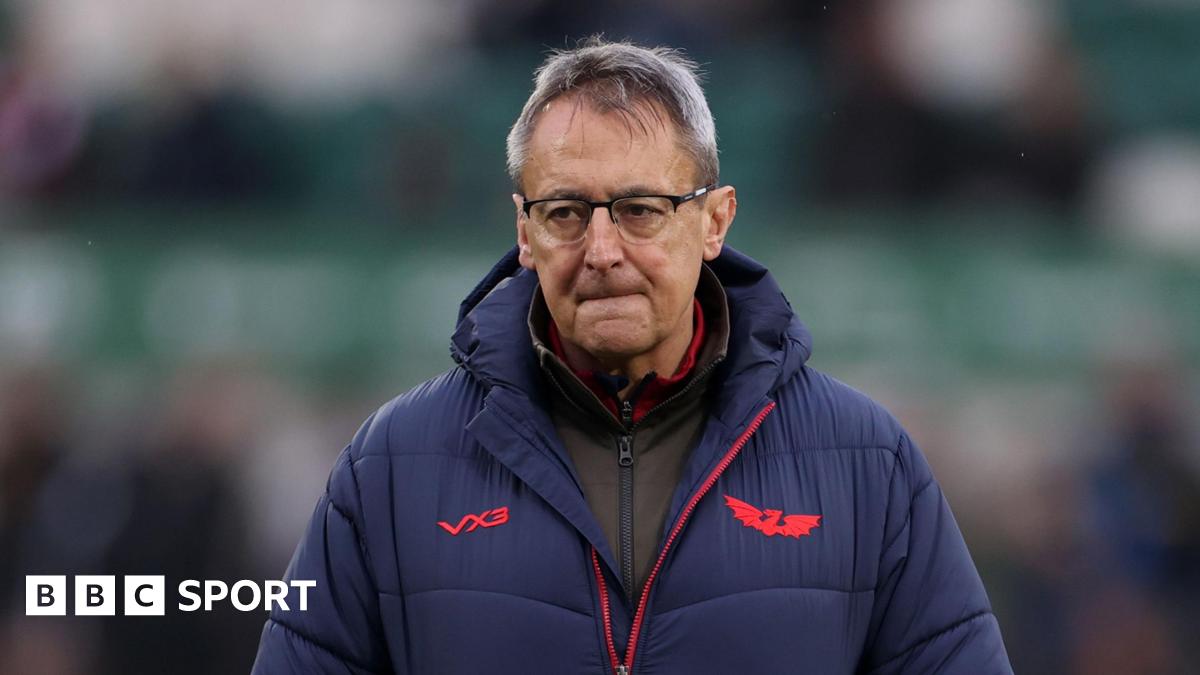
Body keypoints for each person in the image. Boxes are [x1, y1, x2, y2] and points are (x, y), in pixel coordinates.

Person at [252, 37, 1013, 674]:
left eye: (642, 211)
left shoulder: (865, 462)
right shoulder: (390, 466)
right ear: (524, 232)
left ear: (715, 221)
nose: (603, 250)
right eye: (566, 213)